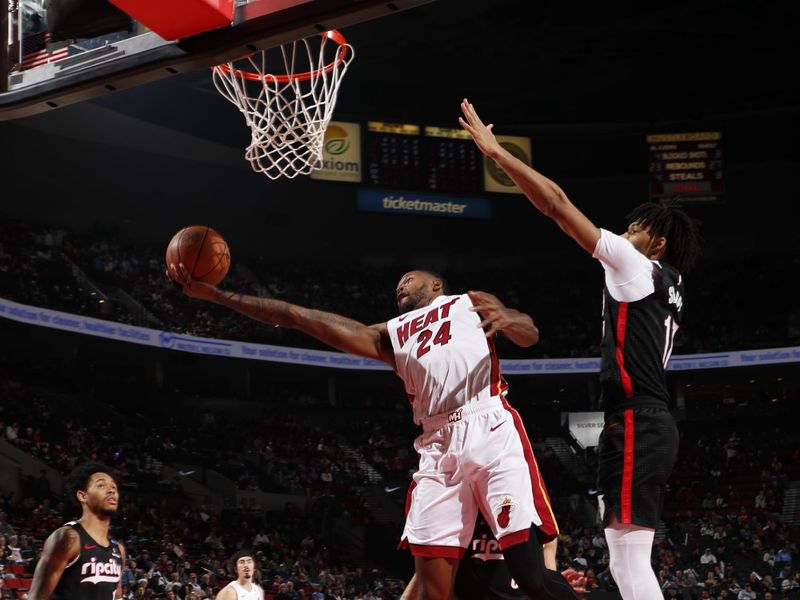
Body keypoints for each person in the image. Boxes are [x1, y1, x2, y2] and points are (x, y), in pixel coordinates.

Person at [168, 266, 576, 600]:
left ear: (436, 284)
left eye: (409, 278)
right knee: (434, 593)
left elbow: (529, 332)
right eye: (398, 283)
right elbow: (298, 316)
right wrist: (219, 297)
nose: (400, 284)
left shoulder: (469, 301)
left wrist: (511, 320)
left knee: (532, 579)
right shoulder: (391, 334)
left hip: (488, 424)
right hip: (436, 446)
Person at [459, 98, 702, 600]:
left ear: (655, 243)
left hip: (638, 420)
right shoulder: (669, 283)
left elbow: (557, 204)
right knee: (625, 554)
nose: (624, 232)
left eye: (634, 228)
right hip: (650, 420)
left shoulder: (636, 267)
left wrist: (497, 153)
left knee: (628, 557)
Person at [401, 513, 586, 600]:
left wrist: (553, 582)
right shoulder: (456, 518)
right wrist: (432, 562)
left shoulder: (535, 519)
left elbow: (543, 584)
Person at [29, 462, 126, 600]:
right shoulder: (68, 538)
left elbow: (117, 596)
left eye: (113, 487)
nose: (111, 490)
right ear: (82, 496)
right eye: (101, 485)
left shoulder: (118, 550)